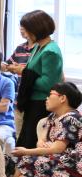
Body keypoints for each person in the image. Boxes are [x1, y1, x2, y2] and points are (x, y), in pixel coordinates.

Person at [11, 82, 82, 177]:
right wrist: (41, 142)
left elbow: (58, 149)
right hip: (55, 159)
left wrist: (26, 151)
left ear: (62, 98)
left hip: (73, 165)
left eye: (50, 94)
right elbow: (42, 138)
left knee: (24, 159)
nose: (46, 98)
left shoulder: (72, 118)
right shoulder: (53, 116)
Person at [11, 10, 63, 149]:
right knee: (25, 140)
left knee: (31, 142)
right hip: (32, 101)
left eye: (27, 30)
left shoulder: (50, 51)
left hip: (41, 104)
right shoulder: (38, 47)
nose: (25, 34)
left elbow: (48, 83)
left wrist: (23, 72)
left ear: (36, 30)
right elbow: (33, 71)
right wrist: (23, 71)